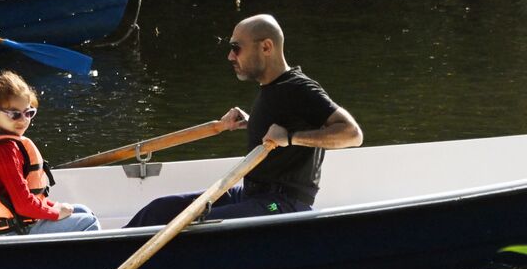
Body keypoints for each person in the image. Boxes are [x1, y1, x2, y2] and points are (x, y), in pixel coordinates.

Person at [125, 14, 362, 228]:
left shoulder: (300, 88)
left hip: (280, 204)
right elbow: (283, 123)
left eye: (236, 48)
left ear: (266, 47)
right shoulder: (272, 88)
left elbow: (352, 134)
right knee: (159, 210)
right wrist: (252, 122)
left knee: (196, 225)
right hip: (250, 195)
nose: (230, 56)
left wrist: (290, 138)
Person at [0, 71, 101, 236]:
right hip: (13, 232)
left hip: (13, 225)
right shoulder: (4, 150)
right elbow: (23, 205)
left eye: (29, 113)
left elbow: (19, 199)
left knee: (82, 210)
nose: (23, 120)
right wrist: (54, 212)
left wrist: (51, 206)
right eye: (15, 114)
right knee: (88, 223)